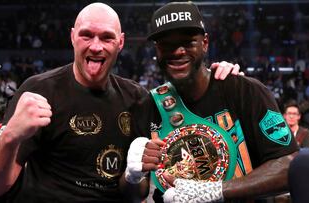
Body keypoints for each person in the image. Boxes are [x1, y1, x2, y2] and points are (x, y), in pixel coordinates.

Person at [0, 3, 239, 202]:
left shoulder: (137, 98)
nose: (96, 46)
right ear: (72, 37)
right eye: (86, 35)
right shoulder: (39, 90)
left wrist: (133, 175)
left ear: (120, 43)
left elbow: (136, 194)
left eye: (106, 37)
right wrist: (9, 136)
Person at [125, 2, 299, 202]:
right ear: (157, 49)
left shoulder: (245, 91)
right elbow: (134, 195)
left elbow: (290, 165)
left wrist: (216, 191)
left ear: (205, 43)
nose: (178, 51)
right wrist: (132, 176)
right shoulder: (148, 106)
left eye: (188, 42)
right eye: (167, 44)